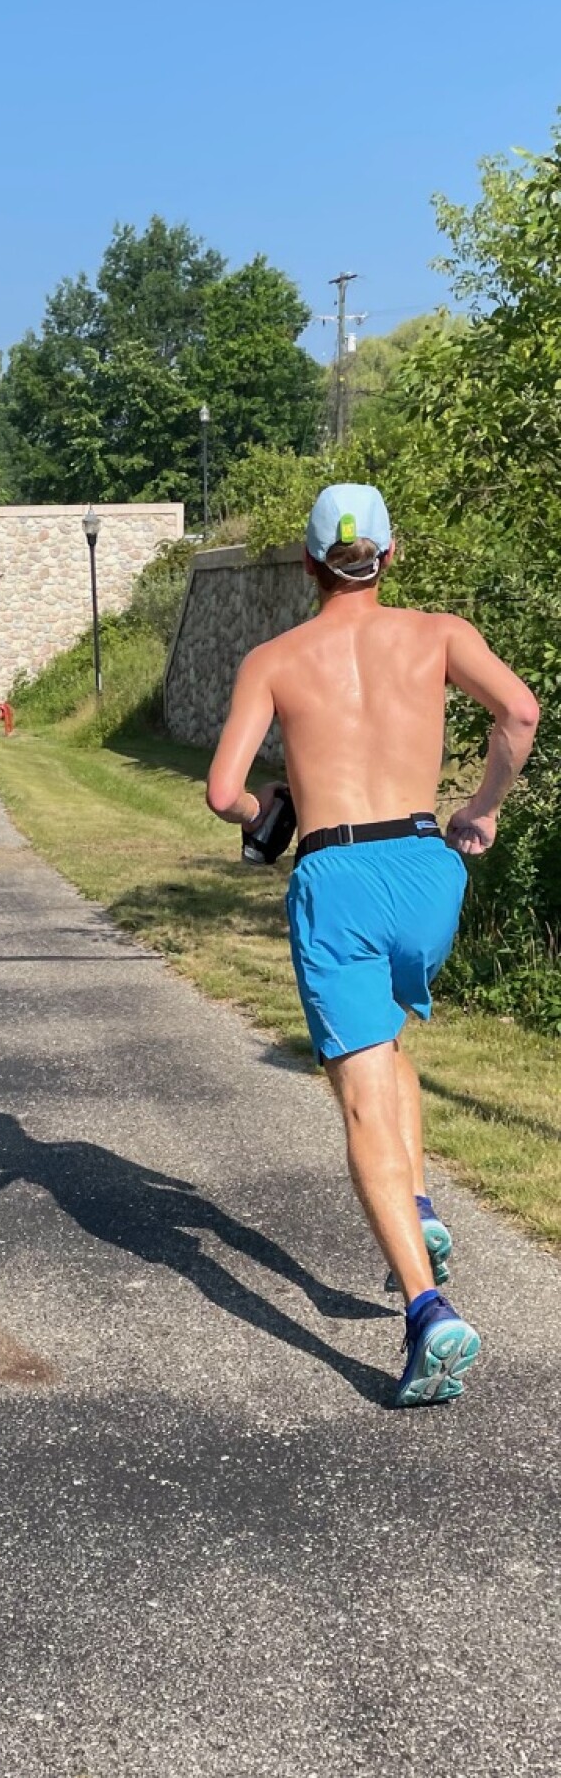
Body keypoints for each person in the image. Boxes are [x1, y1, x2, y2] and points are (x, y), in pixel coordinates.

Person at [206, 483, 539, 1406]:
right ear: (388, 555)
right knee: (390, 1037)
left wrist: (263, 813)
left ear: (310, 564)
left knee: (360, 1095)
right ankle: (419, 1205)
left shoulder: (273, 660)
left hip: (338, 875)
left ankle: (430, 1312)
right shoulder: (439, 634)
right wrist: (482, 809)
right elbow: (520, 712)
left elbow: (223, 789)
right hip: (429, 870)